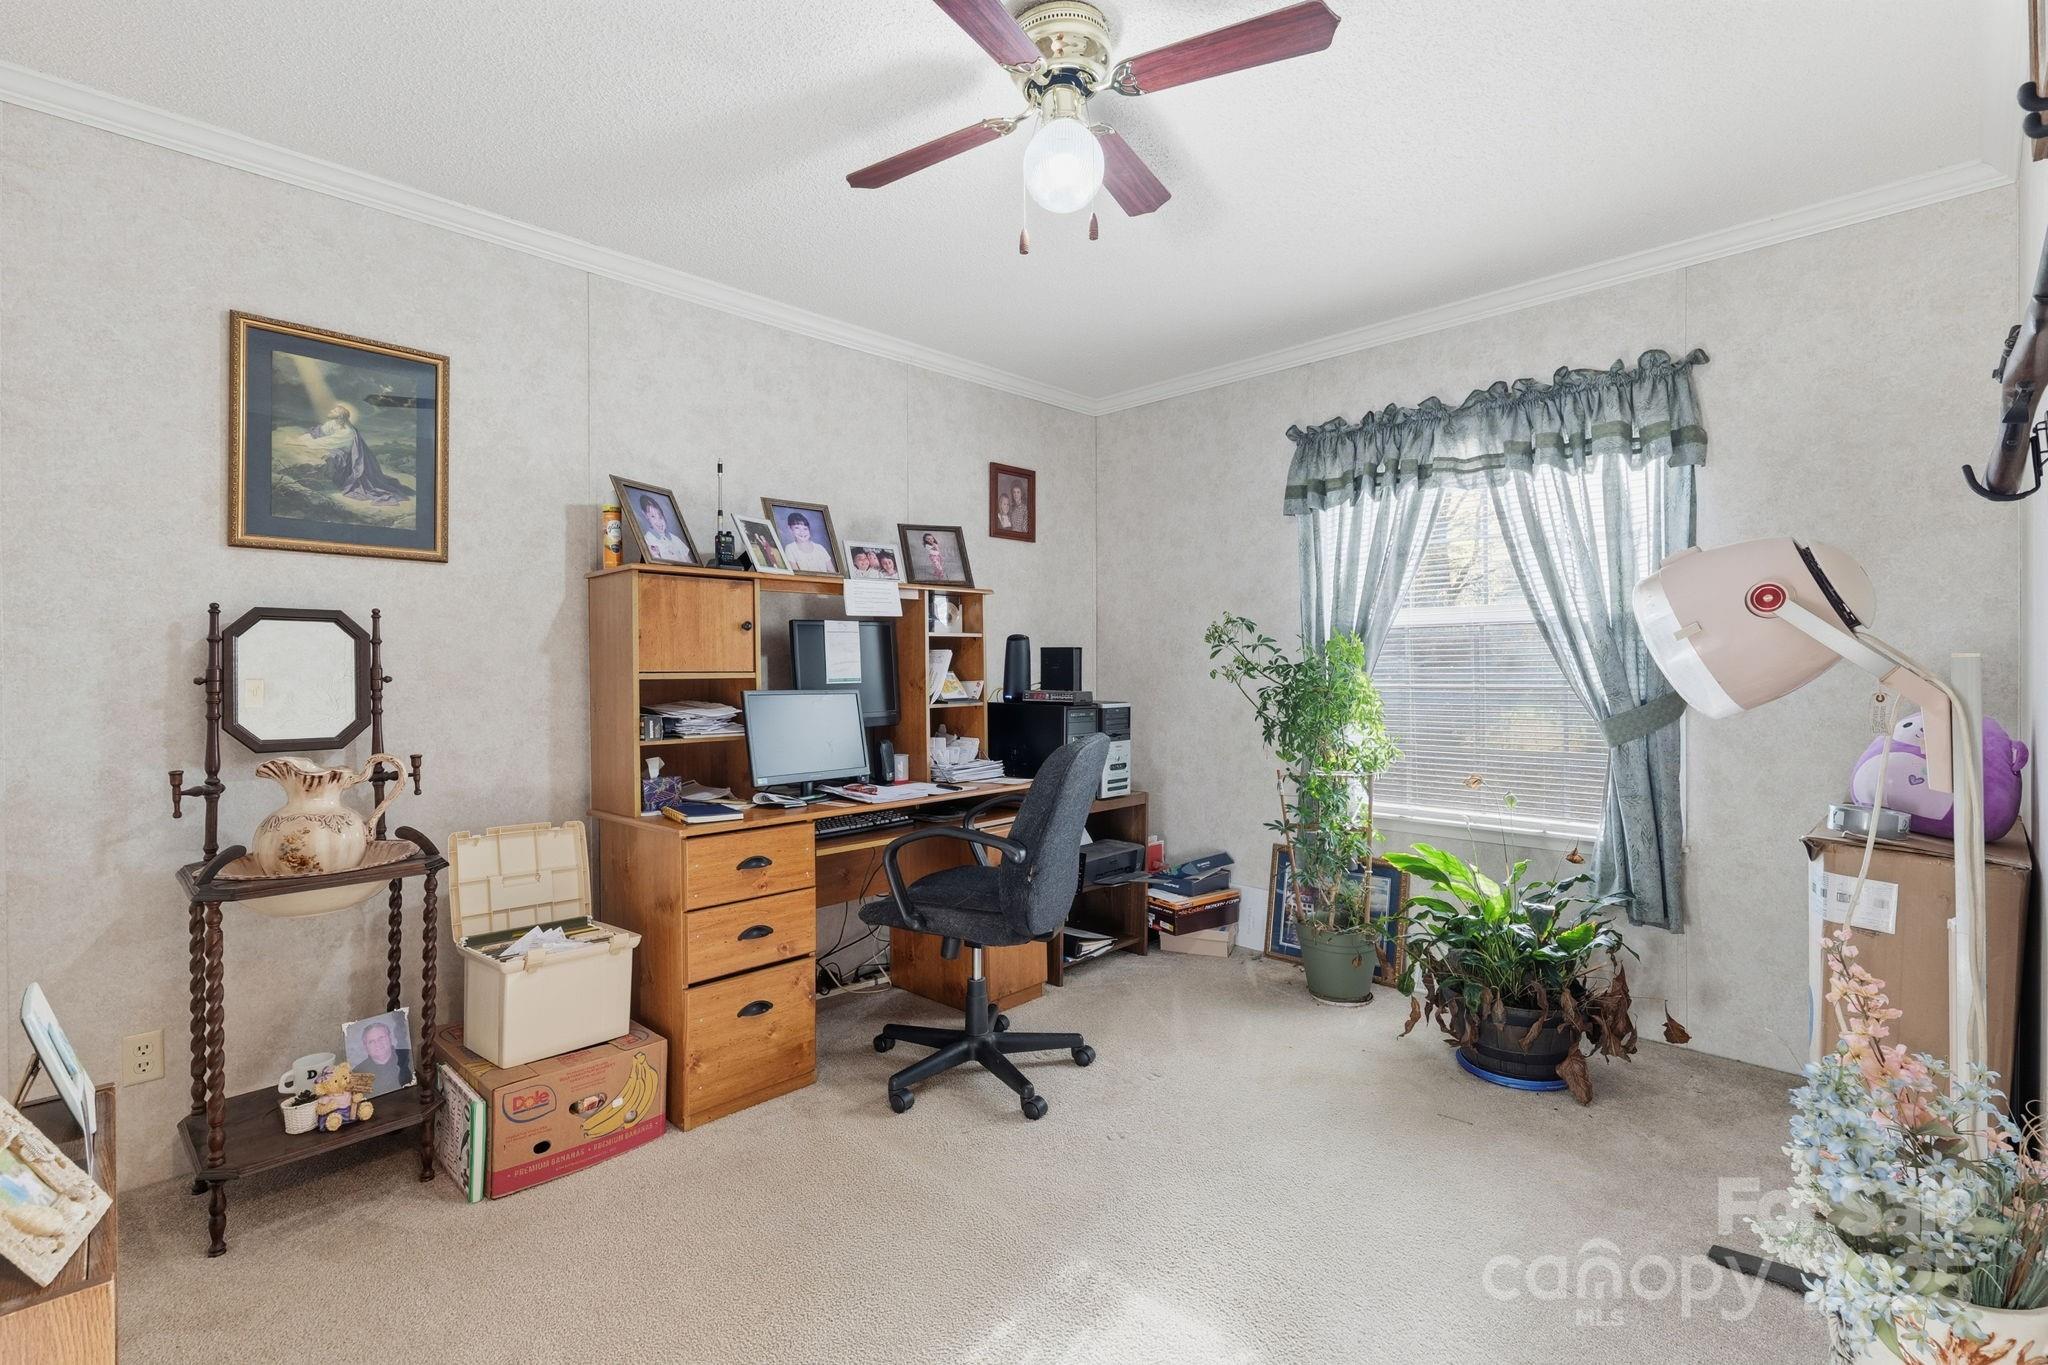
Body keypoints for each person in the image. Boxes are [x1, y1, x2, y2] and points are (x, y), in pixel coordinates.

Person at [305, 402, 407, 504]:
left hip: (347, 455)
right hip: (337, 447)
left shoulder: (347, 431)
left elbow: (327, 441)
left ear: (340, 416)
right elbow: (322, 432)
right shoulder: (332, 423)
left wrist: (306, 442)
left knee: (332, 457)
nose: (331, 411)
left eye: (334, 411)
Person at [351, 1017, 412, 1097]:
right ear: (366, 1047)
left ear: (390, 1038)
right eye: (371, 1041)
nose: (377, 1044)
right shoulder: (357, 1073)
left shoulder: (408, 1056)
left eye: (381, 1038)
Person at [637, 496, 693, 563]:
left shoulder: (675, 539)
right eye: (653, 516)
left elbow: (689, 562)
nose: (659, 521)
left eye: (660, 516)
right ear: (645, 515)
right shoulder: (648, 540)